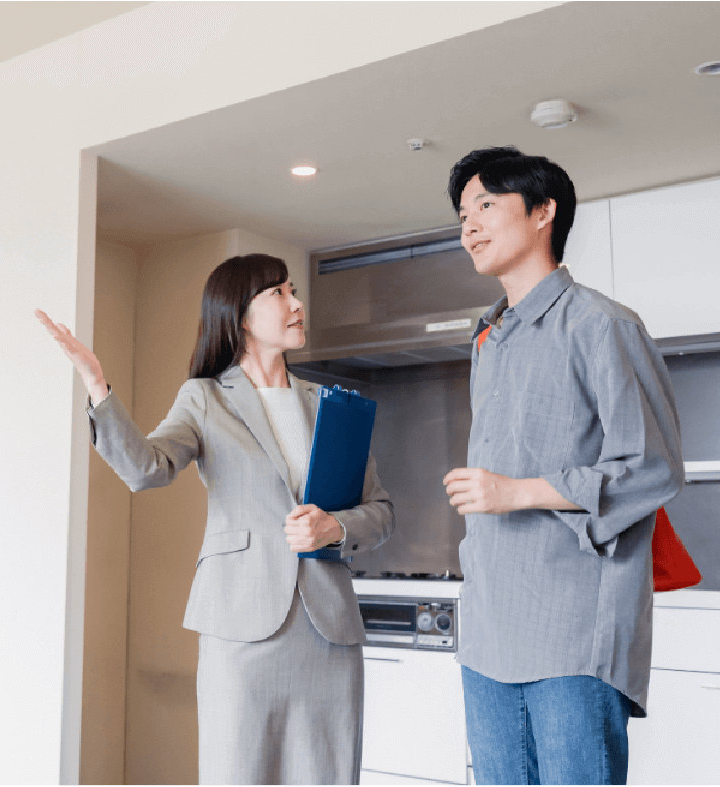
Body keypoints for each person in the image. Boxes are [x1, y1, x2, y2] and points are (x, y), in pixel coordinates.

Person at [37, 253, 395, 786]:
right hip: (242, 626)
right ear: (241, 316)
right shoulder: (204, 398)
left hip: (328, 634)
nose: (297, 303)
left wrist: (334, 528)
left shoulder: (331, 405)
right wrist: (96, 384)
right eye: (279, 293)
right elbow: (146, 468)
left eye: (294, 291)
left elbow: (380, 512)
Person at [440, 147, 683, 785]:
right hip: (488, 626)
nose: (469, 225)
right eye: (463, 214)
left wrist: (517, 492)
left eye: (486, 204)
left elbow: (654, 467)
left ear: (543, 212)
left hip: (572, 627)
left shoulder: (603, 325)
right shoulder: (488, 339)